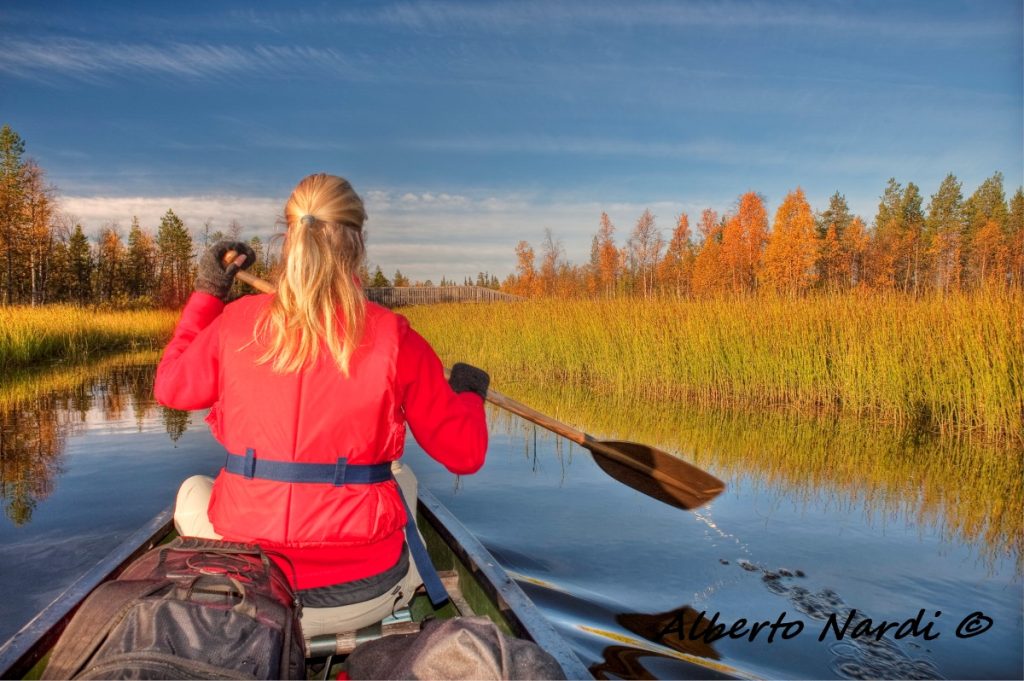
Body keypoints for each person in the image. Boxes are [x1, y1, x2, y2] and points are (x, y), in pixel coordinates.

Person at [153, 173, 489, 636]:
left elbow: (170, 387)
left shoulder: (235, 324)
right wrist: (469, 395)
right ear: (357, 242)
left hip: (250, 588)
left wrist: (209, 294)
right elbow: (465, 454)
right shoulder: (395, 337)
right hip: (362, 592)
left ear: (287, 237)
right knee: (402, 479)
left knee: (194, 487)